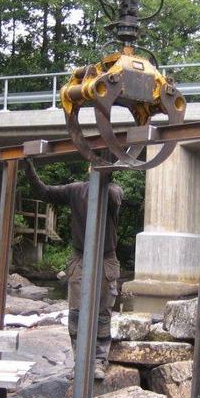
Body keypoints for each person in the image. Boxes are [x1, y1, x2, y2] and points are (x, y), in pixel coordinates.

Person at [25, 160, 123, 380]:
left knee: (102, 313)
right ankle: (80, 362)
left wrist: (105, 175)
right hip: (80, 257)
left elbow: (112, 198)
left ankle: (98, 361)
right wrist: (29, 168)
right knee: (77, 313)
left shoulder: (114, 191)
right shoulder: (76, 189)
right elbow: (44, 192)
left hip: (105, 259)